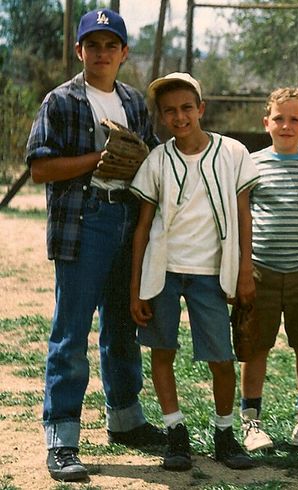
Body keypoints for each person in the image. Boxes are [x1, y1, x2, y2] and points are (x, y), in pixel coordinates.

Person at [25, 8, 166, 482]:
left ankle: (125, 418)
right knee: (71, 330)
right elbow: (41, 169)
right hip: (86, 219)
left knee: (123, 324)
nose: (102, 53)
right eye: (94, 44)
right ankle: (62, 437)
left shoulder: (132, 101)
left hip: (128, 216)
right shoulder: (61, 101)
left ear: (124, 53)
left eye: (111, 45)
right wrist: (97, 158)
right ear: (79, 49)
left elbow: (148, 164)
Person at [129, 72, 259, 472]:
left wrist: (246, 269)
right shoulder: (158, 160)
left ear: (201, 108)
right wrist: (136, 289)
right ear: (161, 118)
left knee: (221, 358)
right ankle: (176, 433)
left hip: (211, 273)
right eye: (170, 111)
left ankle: (224, 432)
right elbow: (143, 228)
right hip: (164, 271)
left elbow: (243, 214)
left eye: (187, 108)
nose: (180, 117)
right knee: (163, 350)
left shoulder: (233, 152)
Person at [238, 87, 298, 452]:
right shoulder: (250, 164)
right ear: (266, 122)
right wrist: (243, 270)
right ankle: (252, 422)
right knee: (255, 347)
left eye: (294, 118)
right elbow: (242, 220)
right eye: (279, 118)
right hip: (261, 272)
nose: (286, 125)